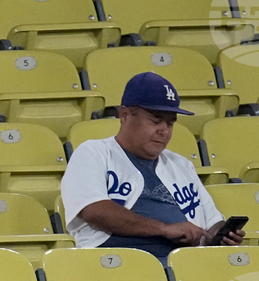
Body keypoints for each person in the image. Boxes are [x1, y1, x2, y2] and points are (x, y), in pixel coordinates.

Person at [61, 72, 245, 264]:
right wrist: (165, 228)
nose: (164, 130)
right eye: (156, 120)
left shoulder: (181, 165)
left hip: (187, 265)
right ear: (124, 115)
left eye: (170, 123)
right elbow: (95, 210)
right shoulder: (94, 152)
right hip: (116, 264)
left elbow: (212, 221)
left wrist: (222, 234)